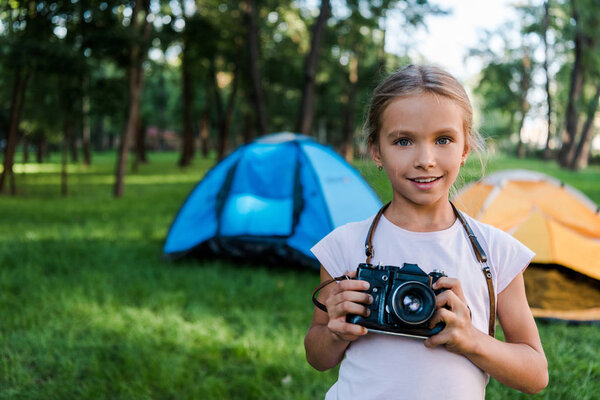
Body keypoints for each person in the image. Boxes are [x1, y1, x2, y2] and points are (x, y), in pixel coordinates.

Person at [304, 64, 548, 399]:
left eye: (443, 139)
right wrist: (335, 331)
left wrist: (471, 339)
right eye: (403, 141)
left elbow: (536, 375)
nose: (426, 159)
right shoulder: (345, 245)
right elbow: (318, 357)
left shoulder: (496, 252)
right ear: (376, 150)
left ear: (464, 149)